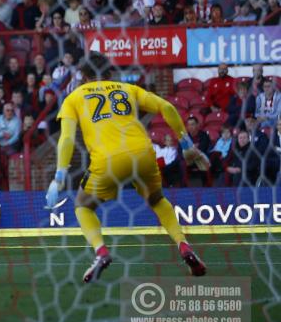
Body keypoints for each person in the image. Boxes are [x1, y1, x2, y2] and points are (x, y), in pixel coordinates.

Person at [45, 52, 207, 283]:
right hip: (143, 151)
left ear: (84, 76)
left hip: (108, 160)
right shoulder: (127, 88)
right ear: (109, 72)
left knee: (82, 205)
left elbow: (67, 139)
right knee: (157, 200)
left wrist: (59, 176)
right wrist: (186, 143)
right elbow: (167, 107)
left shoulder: (75, 96)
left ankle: (101, 252)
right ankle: (184, 246)